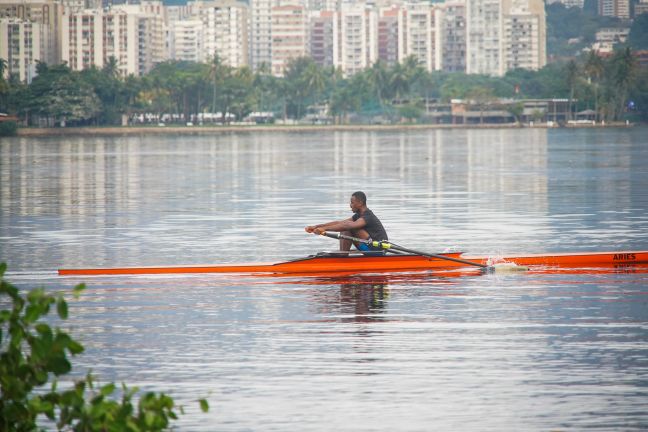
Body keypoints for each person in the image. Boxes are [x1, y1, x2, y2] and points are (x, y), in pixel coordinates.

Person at [305, 191, 388, 252]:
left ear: (360, 203)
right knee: (344, 225)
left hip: (378, 249)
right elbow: (339, 223)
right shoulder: (358, 216)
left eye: (352, 202)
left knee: (347, 227)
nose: (350, 205)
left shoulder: (368, 216)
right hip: (369, 247)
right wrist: (316, 227)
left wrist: (325, 229)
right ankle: (343, 254)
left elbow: (347, 226)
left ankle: (342, 256)